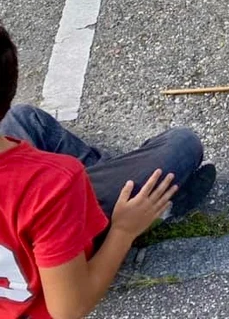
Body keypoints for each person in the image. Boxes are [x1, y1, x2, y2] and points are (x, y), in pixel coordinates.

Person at [0, 24, 215, 318]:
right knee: (183, 145)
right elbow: (69, 310)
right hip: (56, 254)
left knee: (24, 118)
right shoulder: (54, 183)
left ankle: (115, 182)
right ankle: (135, 214)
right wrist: (123, 231)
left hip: (28, 211)